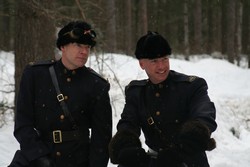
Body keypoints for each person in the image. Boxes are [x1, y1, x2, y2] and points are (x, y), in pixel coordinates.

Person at [8, 21, 112, 167]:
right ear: (62, 46)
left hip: (77, 159)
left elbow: (101, 138)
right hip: (36, 157)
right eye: (78, 45)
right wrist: (39, 156)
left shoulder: (96, 85)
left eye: (87, 47)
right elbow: (23, 124)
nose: (84, 51)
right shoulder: (35, 75)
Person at [109, 31, 217, 167]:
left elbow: (204, 116)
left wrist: (181, 150)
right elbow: (128, 124)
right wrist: (127, 148)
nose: (161, 66)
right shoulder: (137, 93)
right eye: (154, 61)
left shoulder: (191, 86)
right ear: (142, 64)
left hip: (189, 161)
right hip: (153, 161)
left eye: (164, 59)